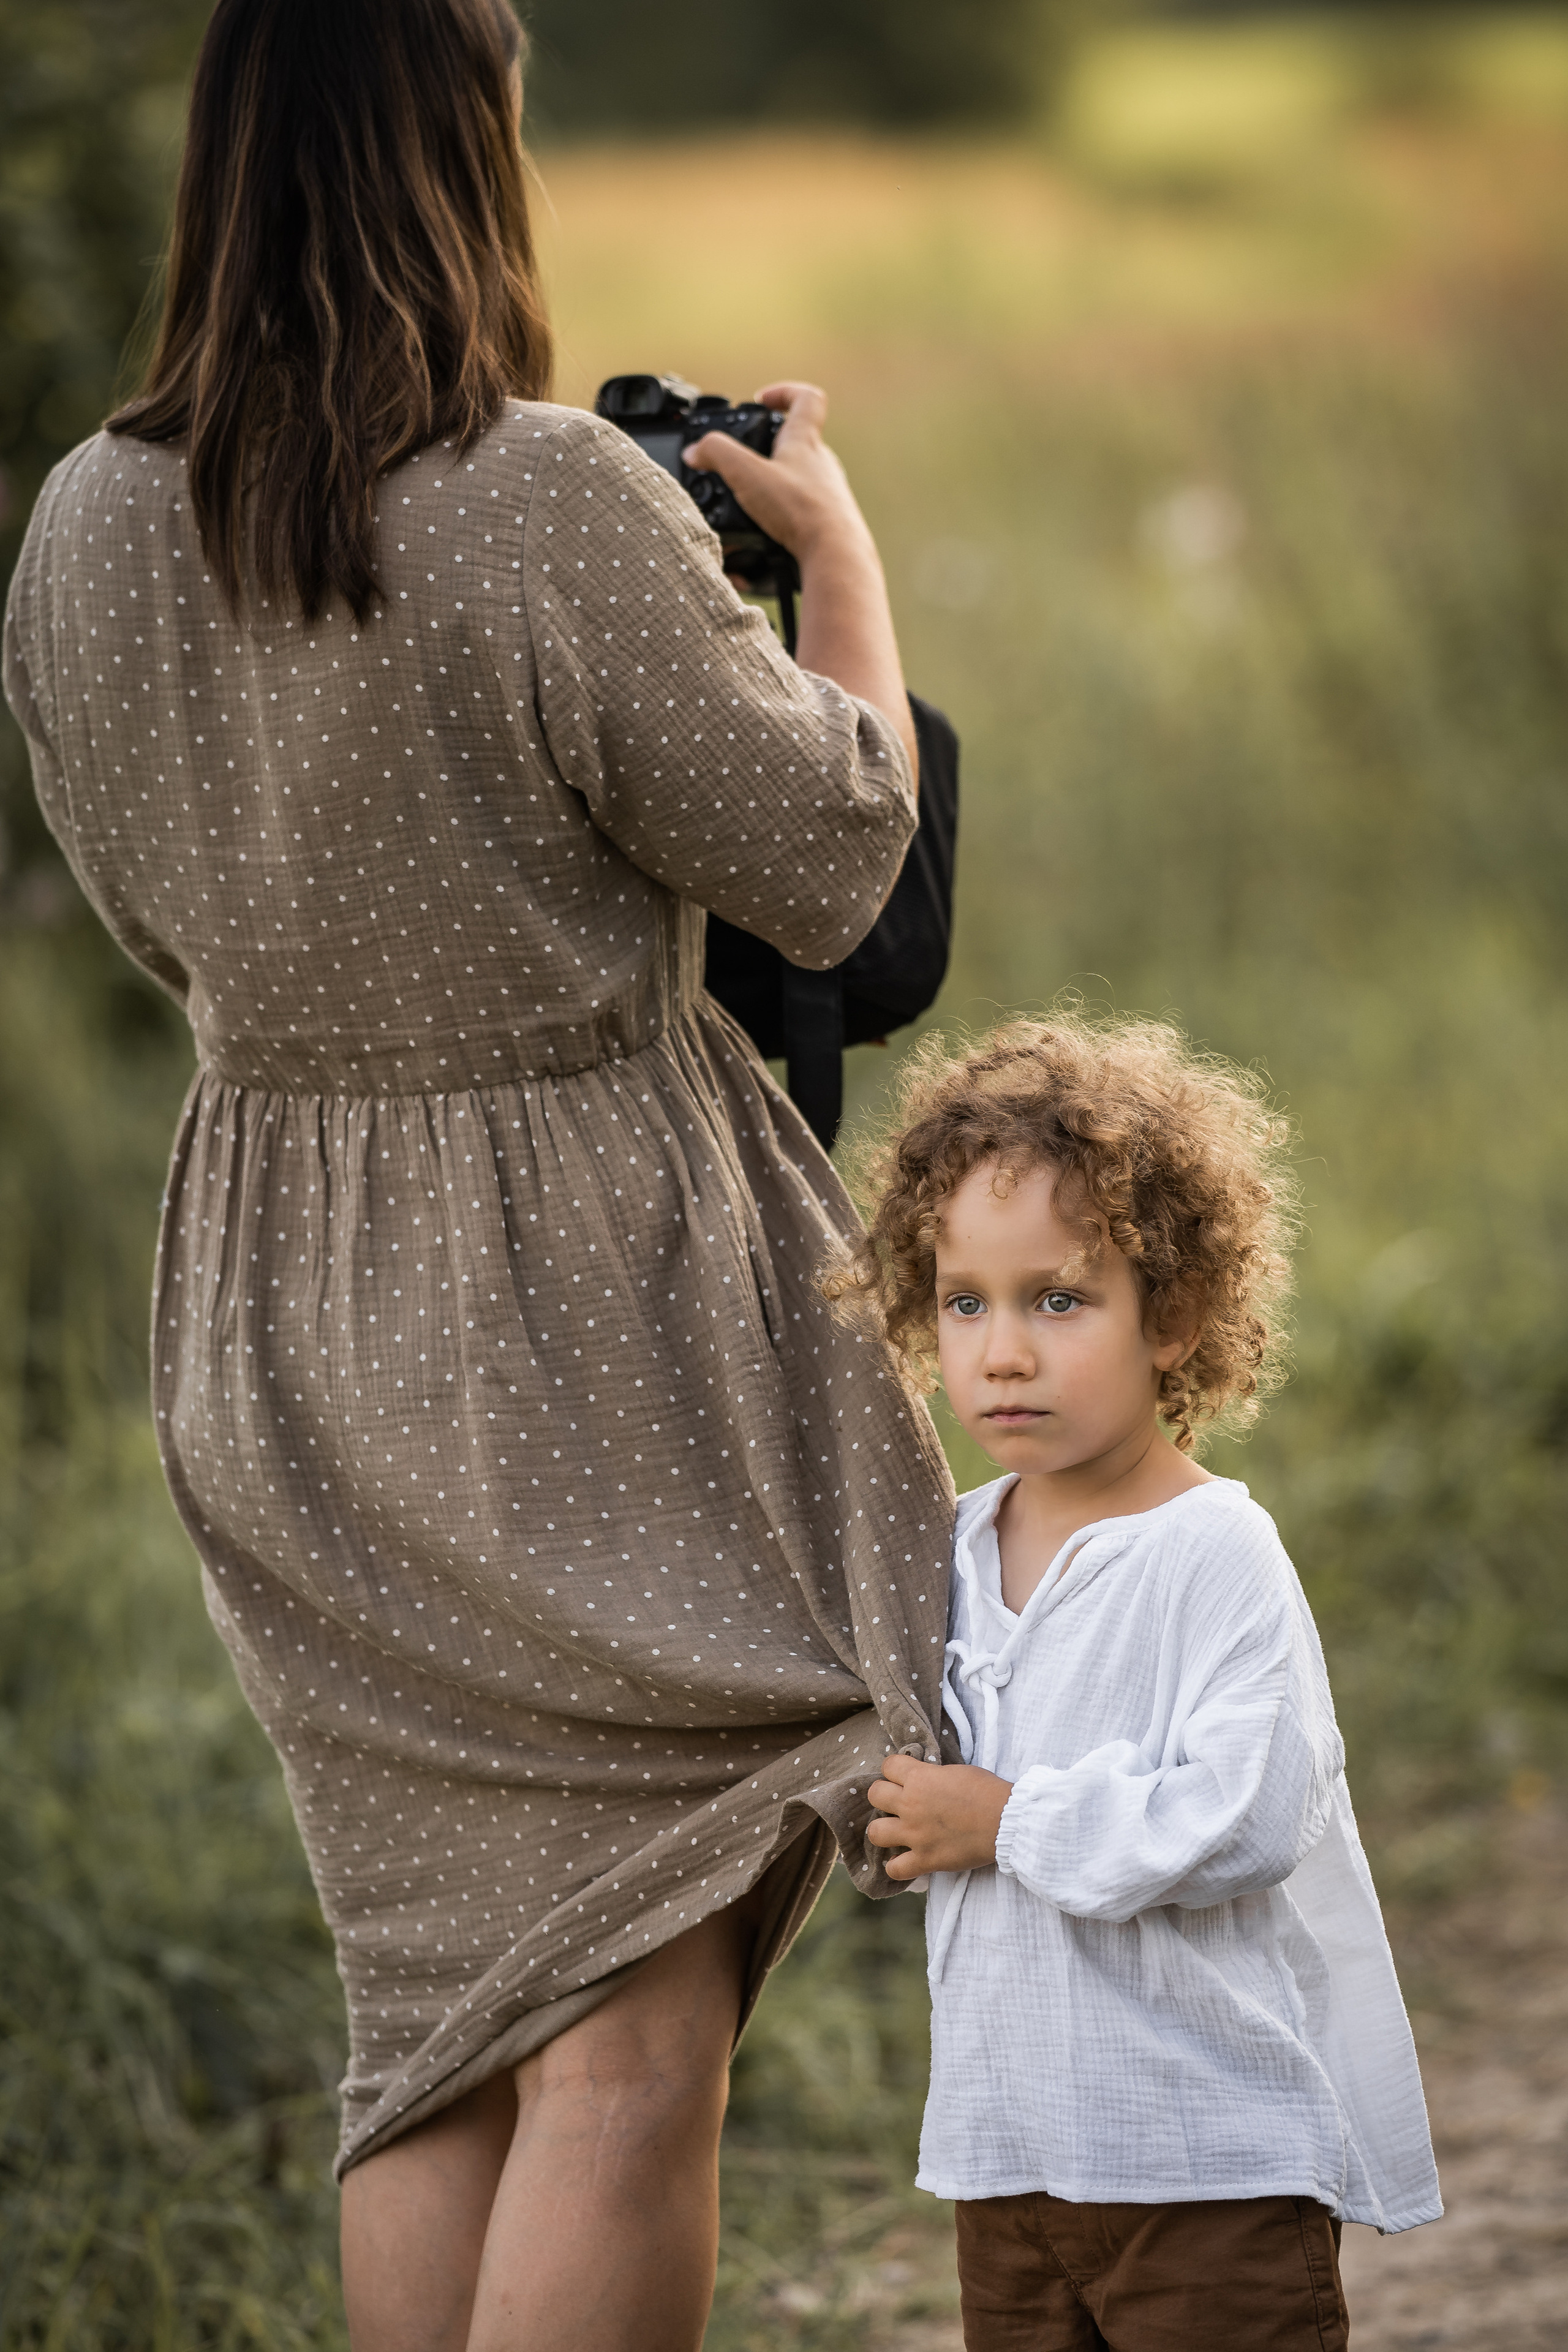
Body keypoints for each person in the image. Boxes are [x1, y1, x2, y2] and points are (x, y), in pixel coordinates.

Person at [1, 3, 954, 2346]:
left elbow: (148, 918)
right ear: (466, 146)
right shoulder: (543, 495)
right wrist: (831, 551)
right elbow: (837, 856)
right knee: (627, 2039)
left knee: (439, 2029)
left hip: (272, 1316)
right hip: (579, 1306)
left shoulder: (84, 521)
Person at [827, 1016, 1442, 2350]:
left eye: (1058, 1300)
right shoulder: (945, 1550)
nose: (1002, 1351)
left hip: (1203, 2164)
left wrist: (1007, 1823)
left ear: (1173, 1316)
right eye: (964, 1302)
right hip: (1005, 2160)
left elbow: (1246, 1813)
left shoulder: (1213, 1550)